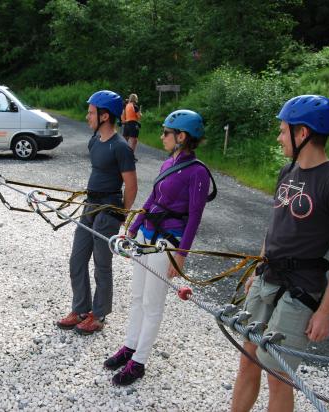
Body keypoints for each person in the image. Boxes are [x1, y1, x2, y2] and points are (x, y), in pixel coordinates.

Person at [231, 95, 329, 412]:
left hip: (300, 289)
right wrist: (258, 270)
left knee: (278, 374)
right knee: (248, 361)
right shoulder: (286, 172)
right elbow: (275, 226)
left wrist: (326, 312)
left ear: (303, 133)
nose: (279, 136)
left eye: (283, 130)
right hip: (268, 278)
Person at [104, 109, 213, 386]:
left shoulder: (197, 172)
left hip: (167, 244)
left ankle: (138, 362)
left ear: (182, 136)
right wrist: (131, 227)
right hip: (145, 236)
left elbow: (195, 217)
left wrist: (181, 256)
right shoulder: (168, 163)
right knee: (138, 298)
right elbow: (153, 198)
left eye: (166, 132)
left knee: (153, 304)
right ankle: (129, 347)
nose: (161, 136)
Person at [57, 90, 138, 335]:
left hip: (108, 209)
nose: (87, 117)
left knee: (102, 264)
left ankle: (99, 314)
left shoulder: (121, 147)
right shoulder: (94, 141)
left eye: (91, 113)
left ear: (104, 116)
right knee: (77, 258)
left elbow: (132, 186)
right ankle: (81, 309)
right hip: (90, 205)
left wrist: (120, 215)